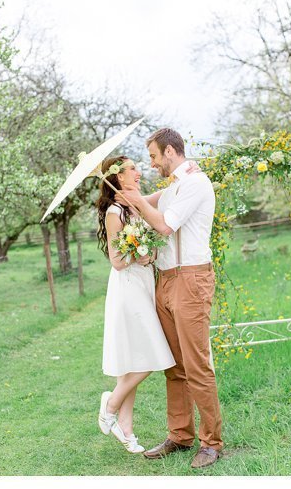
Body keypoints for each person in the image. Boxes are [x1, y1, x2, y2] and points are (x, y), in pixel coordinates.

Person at [117, 128, 222, 469]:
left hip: (191, 279)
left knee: (197, 365)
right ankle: (180, 435)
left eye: (153, 156)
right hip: (165, 280)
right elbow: (143, 203)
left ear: (171, 152)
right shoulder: (173, 186)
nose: (150, 164)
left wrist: (137, 201)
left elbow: (164, 226)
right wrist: (122, 192)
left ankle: (211, 442)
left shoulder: (195, 183)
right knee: (174, 367)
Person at [95, 155, 176, 454]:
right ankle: (112, 402)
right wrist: (137, 252)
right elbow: (117, 262)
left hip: (144, 284)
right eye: (132, 169)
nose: (139, 172)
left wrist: (150, 255)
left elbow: (161, 201)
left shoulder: (136, 205)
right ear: (118, 177)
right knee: (155, 354)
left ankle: (126, 428)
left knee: (131, 358)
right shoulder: (115, 212)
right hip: (127, 288)